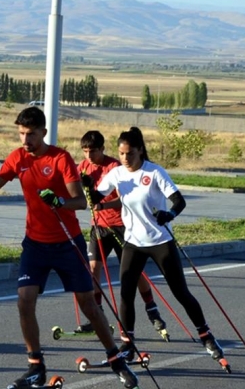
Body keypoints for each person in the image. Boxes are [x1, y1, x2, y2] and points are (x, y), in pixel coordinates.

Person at [0, 107, 138, 389]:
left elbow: (79, 202)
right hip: (35, 244)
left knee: (89, 306)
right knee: (24, 300)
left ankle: (115, 358)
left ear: (43, 132)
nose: (25, 139)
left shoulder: (60, 158)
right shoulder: (17, 158)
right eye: (21, 133)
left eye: (31, 134)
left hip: (67, 243)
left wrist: (58, 202)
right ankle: (36, 366)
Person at [92, 126, 226, 365]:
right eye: (121, 154)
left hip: (159, 241)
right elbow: (95, 195)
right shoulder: (117, 173)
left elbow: (179, 201)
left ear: (140, 151)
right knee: (125, 293)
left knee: (180, 292)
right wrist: (86, 188)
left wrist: (169, 214)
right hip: (133, 242)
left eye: (130, 153)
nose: (125, 159)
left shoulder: (154, 172)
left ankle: (206, 336)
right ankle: (128, 344)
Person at [75, 130, 168, 338]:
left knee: (132, 273)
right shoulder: (83, 167)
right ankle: (96, 315)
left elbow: (125, 199)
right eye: (85, 151)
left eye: (93, 151)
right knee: (93, 269)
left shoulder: (115, 167)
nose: (89, 156)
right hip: (98, 226)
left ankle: (151, 308)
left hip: (121, 225)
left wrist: (103, 204)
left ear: (102, 149)